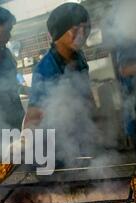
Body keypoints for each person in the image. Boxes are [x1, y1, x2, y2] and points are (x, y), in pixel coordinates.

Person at [23, 3, 97, 167]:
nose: (83, 34)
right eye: (76, 29)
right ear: (59, 33)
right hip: (55, 150)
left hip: (79, 141)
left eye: (86, 28)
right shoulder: (45, 69)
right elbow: (33, 117)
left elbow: (86, 92)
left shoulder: (79, 57)